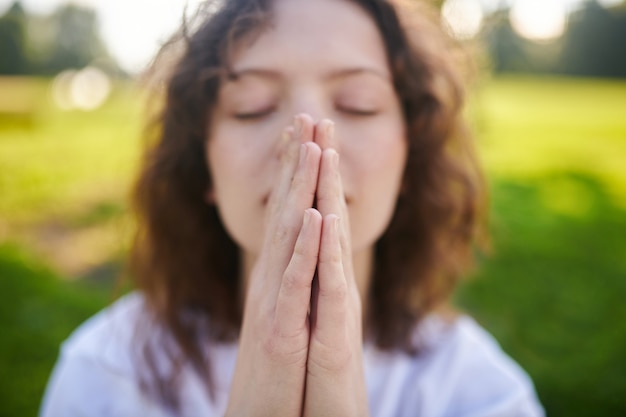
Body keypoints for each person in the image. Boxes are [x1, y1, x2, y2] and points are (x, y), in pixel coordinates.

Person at [40, 0, 545, 415]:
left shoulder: (481, 396)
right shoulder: (109, 374)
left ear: (410, 154)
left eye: (358, 103)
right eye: (252, 106)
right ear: (204, 165)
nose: (310, 141)